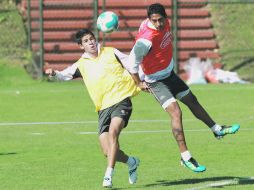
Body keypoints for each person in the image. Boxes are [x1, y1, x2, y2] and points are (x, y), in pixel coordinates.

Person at [128, 3, 240, 173]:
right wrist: (138, 83)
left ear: (166, 17)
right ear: (150, 20)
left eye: (161, 20)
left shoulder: (165, 24)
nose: (158, 23)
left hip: (169, 74)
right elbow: (132, 63)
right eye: (155, 21)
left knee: (192, 101)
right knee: (176, 112)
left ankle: (217, 129)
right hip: (155, 81)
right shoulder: (145, 40)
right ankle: (186, 156)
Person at [45, 29, 140, 188]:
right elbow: (63, 76)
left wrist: (141, 81)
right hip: (103, 108)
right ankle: (132, 162)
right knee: (107, 151)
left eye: (92, 39)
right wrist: (54, 73)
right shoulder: (81, 64)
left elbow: (132, 63)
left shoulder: (111, 52)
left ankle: (108, 175)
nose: (91, 42)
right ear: (81, 46)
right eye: (86, 41)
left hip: (122, 100)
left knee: (113, 132)